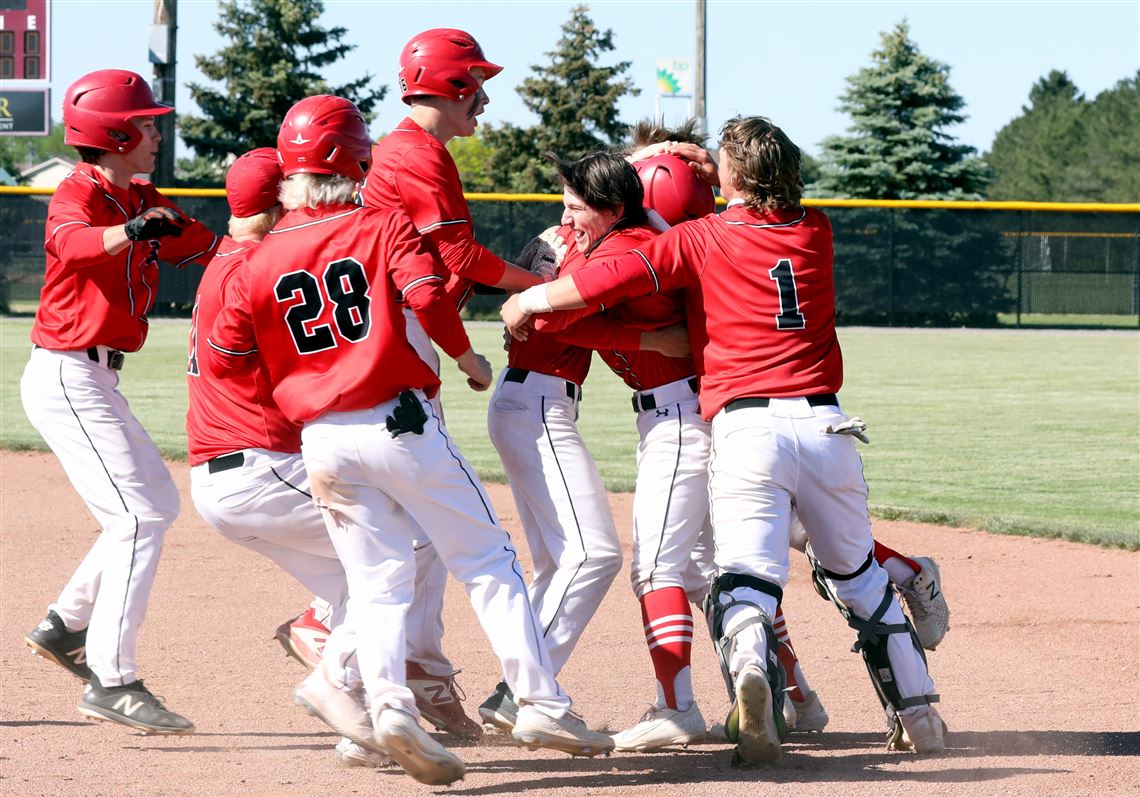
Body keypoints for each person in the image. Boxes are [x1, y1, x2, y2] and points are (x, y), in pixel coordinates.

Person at [502, 116, 946, 765]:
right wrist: (704, 162)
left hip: (747, 425)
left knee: (741, 579)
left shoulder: (701, 239)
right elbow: (751, 190)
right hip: (828, 422)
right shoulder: (814, 229)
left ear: (730, 178)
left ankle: (747, 680)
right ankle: (920, 714)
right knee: (857, 580)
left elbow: (606, 280)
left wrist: (530, 297)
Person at [206, 95, 613, 786]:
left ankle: (387, 707)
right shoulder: (379, 222)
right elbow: (427, 296)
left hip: (321, 442)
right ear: (358, 158)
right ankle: (541, 701)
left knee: (379, 579)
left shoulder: (259, 256)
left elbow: (223, 352)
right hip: (398, 419)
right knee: (486, 557)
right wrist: (466, 359)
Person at [185, 149, 480, 763]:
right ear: (280, 202)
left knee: (363, 582)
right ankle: (341, 665)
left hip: (232, 471)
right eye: (295, 192)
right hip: (259, 467)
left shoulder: (231, 262)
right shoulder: (262, 268)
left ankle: (366, 725)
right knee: (415, 545)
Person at [21, 69, 218, 736]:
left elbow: (205, 246)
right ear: (116, 132)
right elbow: (70, 244)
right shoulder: (79, 191)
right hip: (67, 375)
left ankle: (65, 624)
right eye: (148, 122)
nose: (157, 132)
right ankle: (113, 678)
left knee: (154, 506)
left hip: (97, 378)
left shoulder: (140, 194)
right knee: (138, 516)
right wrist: (133, 229)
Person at [481, 152, 696, 730]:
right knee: (594, 555)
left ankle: (512, 693)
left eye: (577, 205)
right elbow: (546, 318)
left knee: (557, 565)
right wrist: (650, 336)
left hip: (530, 403)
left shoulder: (604, 241)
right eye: (566, 203)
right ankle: (522, 694)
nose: (566, 215)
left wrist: (653, 157)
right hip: (538, 405)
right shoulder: (575, 244)